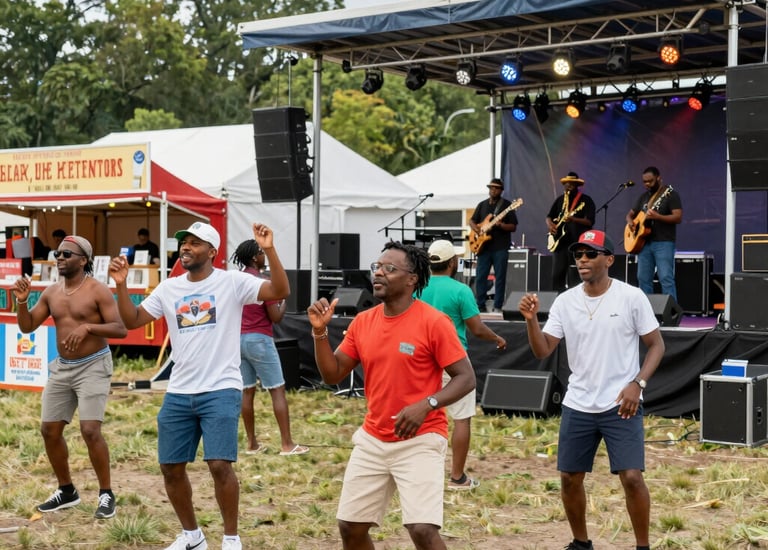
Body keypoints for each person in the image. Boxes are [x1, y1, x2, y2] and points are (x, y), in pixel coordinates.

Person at [109, 221, 289, 550]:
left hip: (221, 388)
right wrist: (120, 285)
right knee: (170, 467)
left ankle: (231, 538)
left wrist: (269, 250)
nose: (186, 247)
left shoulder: (232, 282)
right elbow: (132, 320)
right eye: (184, 242)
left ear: (212, 252)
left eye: (195, 242)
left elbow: (279, 291)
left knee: (220, 464)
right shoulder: (169, 288)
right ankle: (192, 536)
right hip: (179, 391)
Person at [307, 241, 475, 550]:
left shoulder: (434, 322)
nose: (379, 273)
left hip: (421, 439)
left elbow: (466, 378)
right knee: (350, 527)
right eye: (377, 267)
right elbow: (332, 374)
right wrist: (319, 333)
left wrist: (427, 404)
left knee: (422, 530)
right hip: (373, 438)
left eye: (390, 269)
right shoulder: (363, 322)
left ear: (412, 279)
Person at [517, 229, 665, 550]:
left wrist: (637, 384)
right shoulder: (565, 301)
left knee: (632, 477)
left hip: (621, 403)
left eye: (590, 253)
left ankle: (642, 546)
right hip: (579, 403)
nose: (582, 259)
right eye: (578, 254)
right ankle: (581, 543)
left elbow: (656, 346)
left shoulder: (631, 296)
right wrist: (531, 320)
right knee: (570, 478)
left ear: (609, 259)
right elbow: (543, 350)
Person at [13, 235, 127, 520]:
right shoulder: (51, 293)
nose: (59, 258)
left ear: (83, 260)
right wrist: (22, 302)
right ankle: (67, 491)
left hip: (93, 366)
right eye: (57, 253)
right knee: (49, 430)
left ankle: (106, 494)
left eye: (67, 254)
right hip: (63, 367)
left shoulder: (98, 290)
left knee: (90, 430)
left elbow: (120, 329)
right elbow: (27, 328)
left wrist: (88, 328)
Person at [419, 239, 506, 491]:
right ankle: (457, 477)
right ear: (453, 262)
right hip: (453, 361)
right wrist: (496, 337)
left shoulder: (417, 287)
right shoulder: (460, 290)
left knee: (421, 417)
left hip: (421, 358)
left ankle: (420, 474)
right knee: (461, 419)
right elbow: (477, 328)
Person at [232, 238, 308, 456]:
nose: (264, 256)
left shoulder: (236, 281)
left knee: (247, 391)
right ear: (256, 257)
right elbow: (275, 317)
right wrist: (283, 300)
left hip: (238, 340)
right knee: (277, 389)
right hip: (260, 340)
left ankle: (251, 444)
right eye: (262, 253)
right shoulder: (262, 282)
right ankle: (287, 444)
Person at [625, 166, 683, 302]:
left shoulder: (670, 194)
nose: (647, 184)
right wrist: (630, 223)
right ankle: (647, 313)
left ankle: (672, 314)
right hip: (644, 244)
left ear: (659, 178)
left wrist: (658, 217)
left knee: (665, 278)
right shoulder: (643, 197)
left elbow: (678, 217)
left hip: (664, 242)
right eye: (644, 182)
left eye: (650, 181)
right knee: (643, 278)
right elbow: (630, 214)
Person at [469, 177, 518, 313]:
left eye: (496, 188)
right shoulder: (482, 205)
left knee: (500, 277)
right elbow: (472, 221)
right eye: (491, 187)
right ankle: (480, 305)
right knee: (480, 277)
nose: (493, 190)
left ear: (501, 190)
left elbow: (513, 227)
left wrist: (500, 225)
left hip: (500, 247)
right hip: (484, 248)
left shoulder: (507, 205)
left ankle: (498, 306)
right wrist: (477, 230)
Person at [546, 172, 596, 293]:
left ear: (576, 185)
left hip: (577, 243)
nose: (568, 187)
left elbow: (589, 222)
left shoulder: (586, 200)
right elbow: (548, 217)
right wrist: (550, 225)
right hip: (560, 243)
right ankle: (558, 302)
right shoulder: (560, 200)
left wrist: (573, 219)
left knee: (575, 275)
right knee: (557, 274)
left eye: (571, 185)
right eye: (566, 184)